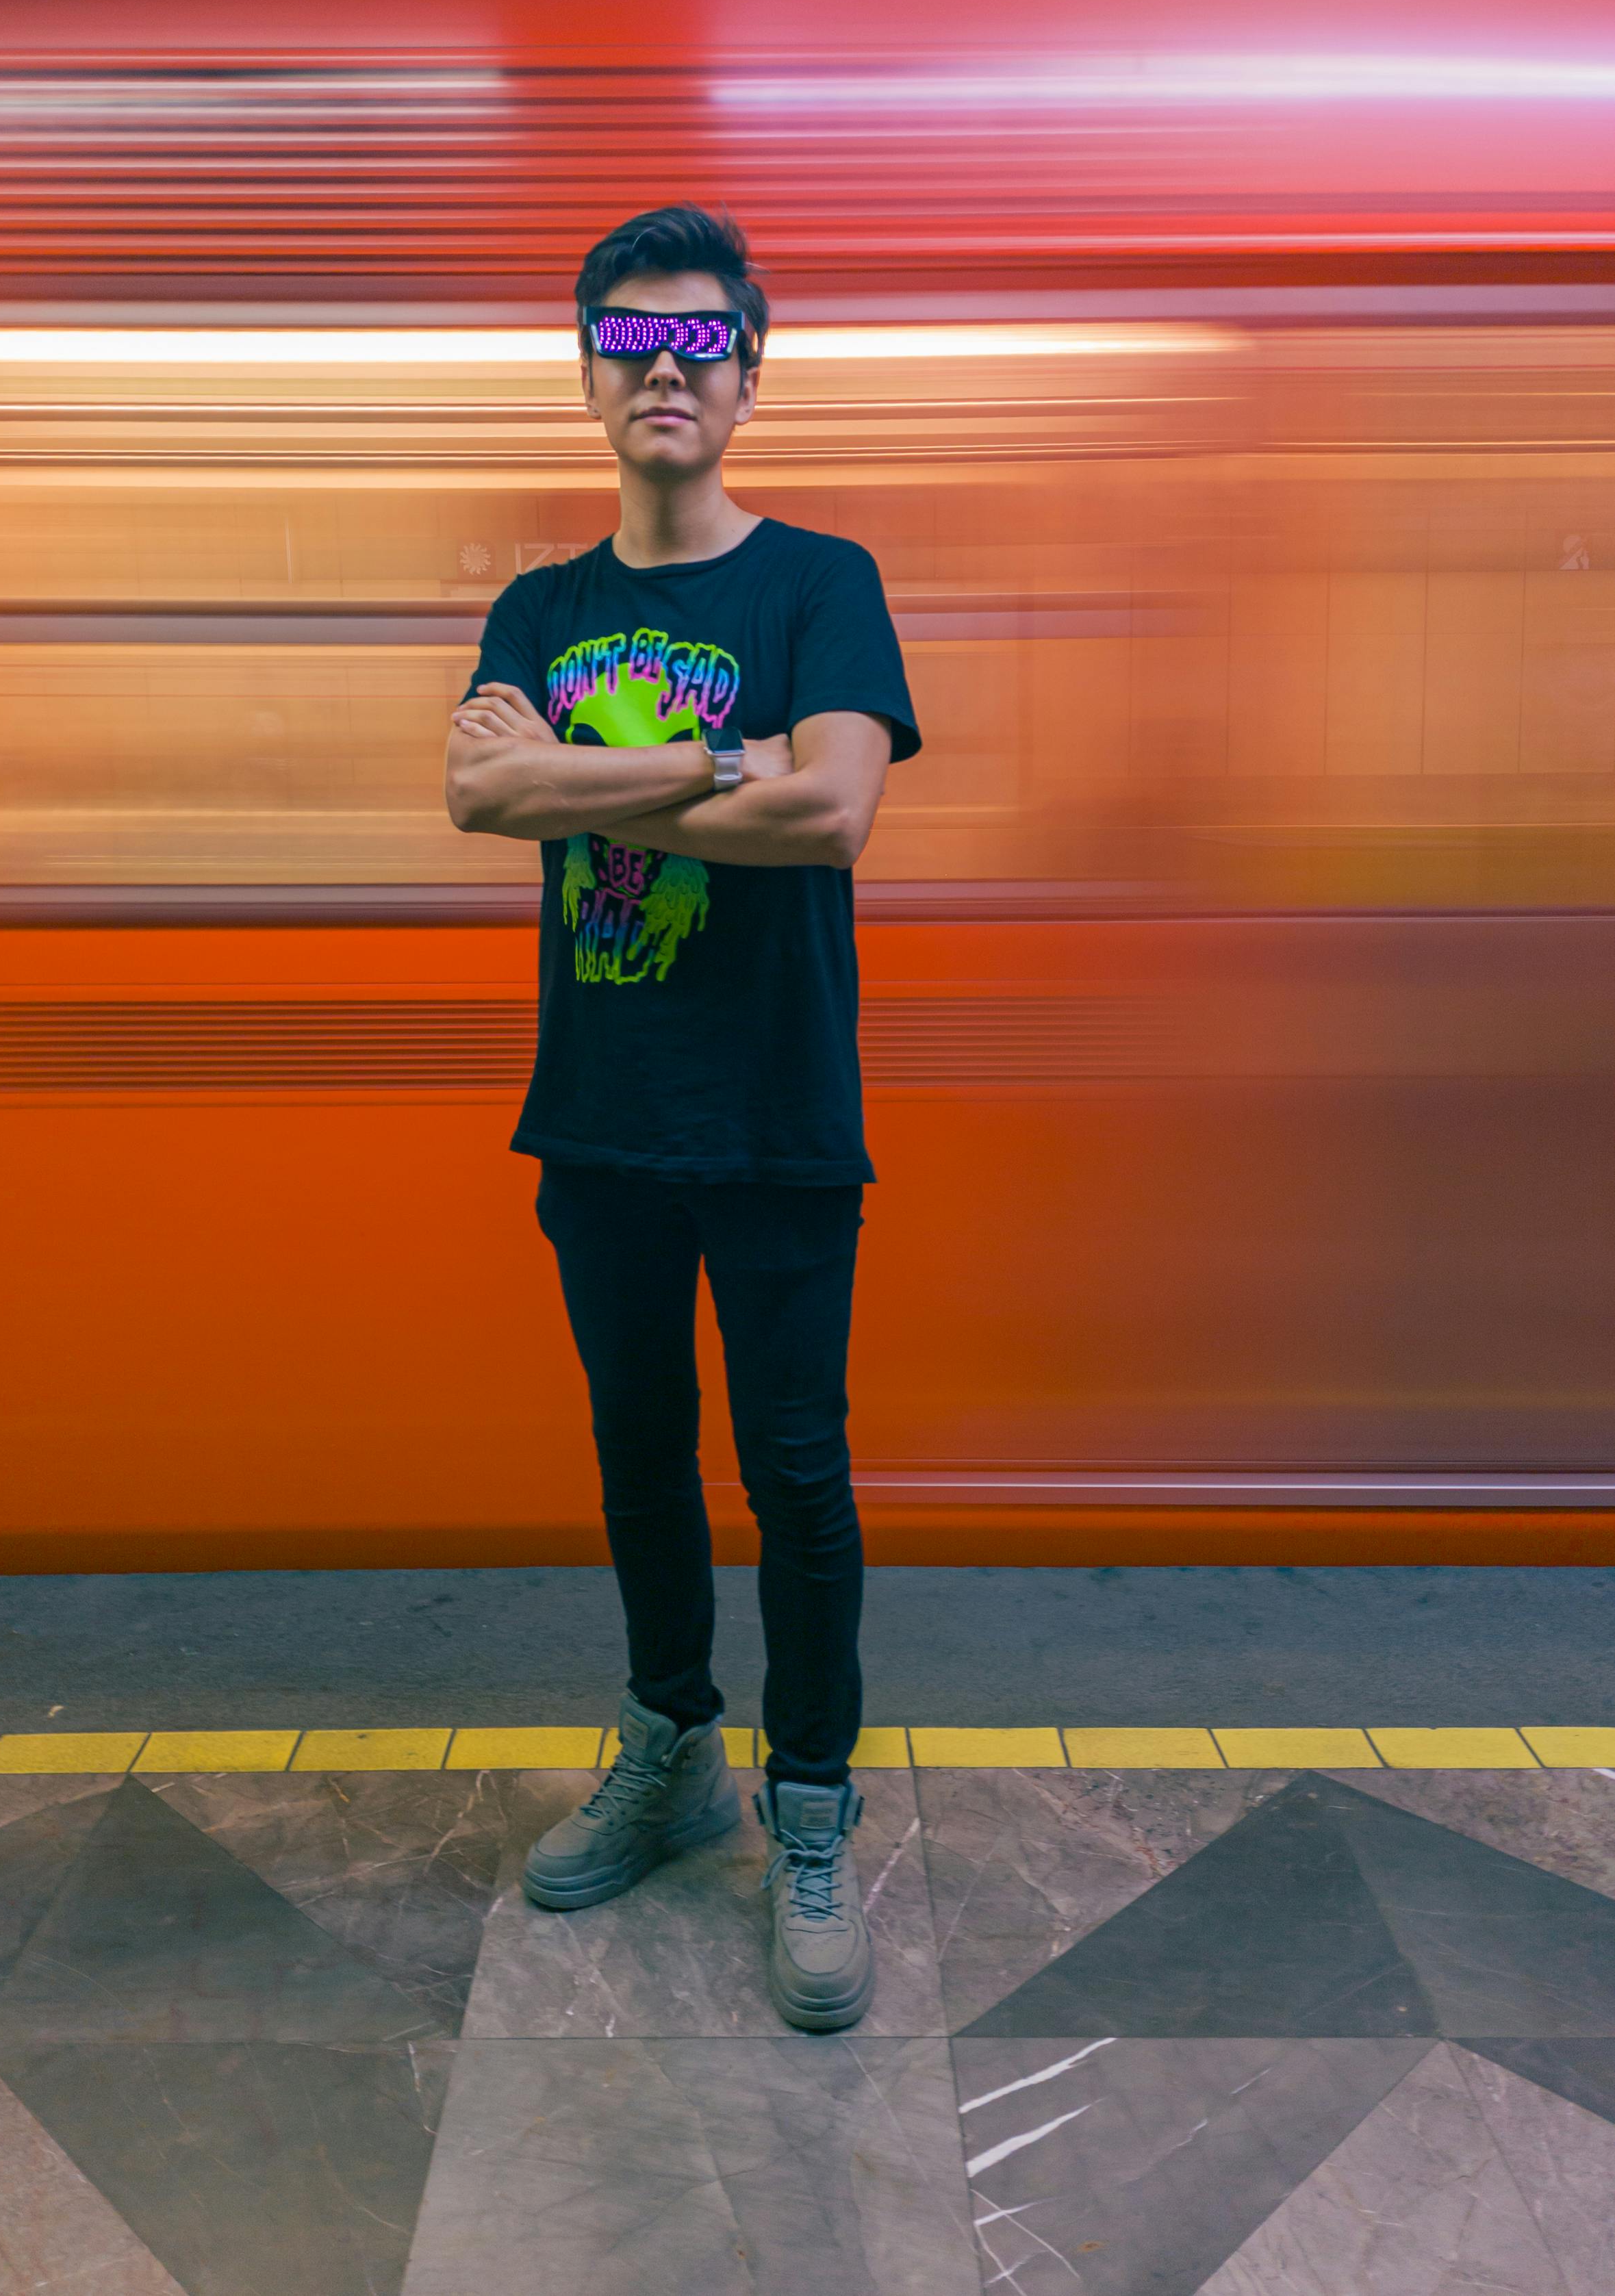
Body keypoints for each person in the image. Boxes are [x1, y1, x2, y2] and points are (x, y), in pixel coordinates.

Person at [443, 204, 920, 2032]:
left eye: (700, 342)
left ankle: (809, 1804)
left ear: (745, 374)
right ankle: (672, 1753)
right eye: (632, 342)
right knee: (640, 1460)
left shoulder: (820, 582)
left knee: (793, 1475)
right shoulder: (538, 607)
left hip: (785, 1115)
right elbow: (472, 802)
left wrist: (584, 785)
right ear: (586, 373)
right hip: (600, 1118)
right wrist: (729, 757)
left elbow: (833, 817)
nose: (666, 369)